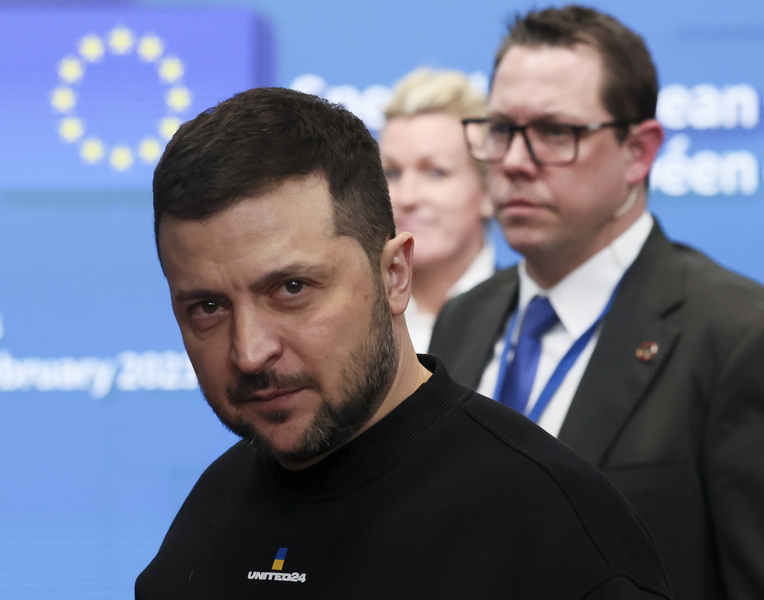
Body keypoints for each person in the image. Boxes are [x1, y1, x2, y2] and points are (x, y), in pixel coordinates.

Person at [135, 86, 671, 599]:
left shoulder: (554, 531)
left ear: (394, 275)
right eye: (207, 308)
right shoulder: (201, 527)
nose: (250, 352)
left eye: (292, 289)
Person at [429, 6, 764, 600]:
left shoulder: (736, 335)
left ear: (639, 151)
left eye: (556, 132)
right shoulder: (463, 318)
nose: (514, 162)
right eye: (501, 129)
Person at [380, 68, 494, 352]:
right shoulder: (356, 319)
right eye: (392, 173)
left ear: (490, 189)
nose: (407, 197)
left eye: (435, 173)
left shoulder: (526, 317)